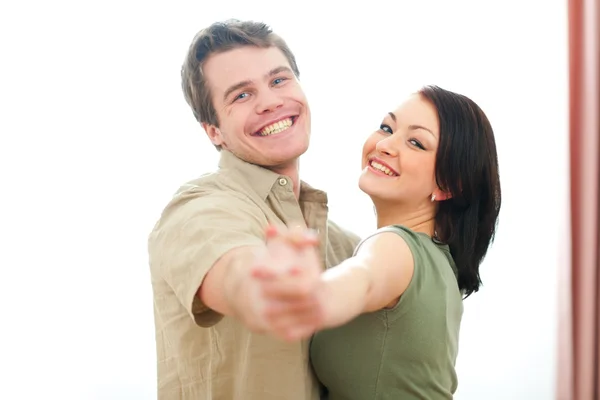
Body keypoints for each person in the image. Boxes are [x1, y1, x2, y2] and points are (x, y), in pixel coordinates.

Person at [147, 19, 360, 400]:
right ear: (213, 131)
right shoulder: (196, 208)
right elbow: (235, 272)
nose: (271, 102)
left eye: (278, 80)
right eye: (241, 96)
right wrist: (265, 287)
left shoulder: (349, 247)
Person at [251, 85, 502, 399]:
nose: (385, 144)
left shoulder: (394, 247)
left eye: (416, 142)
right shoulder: (438, 262)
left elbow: (363, 279)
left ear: (448, 185)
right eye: (387, 127)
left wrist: (313, 292)